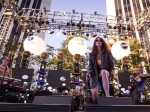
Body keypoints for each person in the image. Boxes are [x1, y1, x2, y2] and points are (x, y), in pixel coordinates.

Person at [86, 37, 118, 102]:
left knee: (103, 71)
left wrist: (114, 75)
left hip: (106, 72)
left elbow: (112, 65)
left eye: (100, 41)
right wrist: (88, 74)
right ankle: (97, 106)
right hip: (95, 74)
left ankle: (107, 95)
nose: (98, 41)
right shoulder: (92, 54)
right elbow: (90, 66)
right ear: (95, 43)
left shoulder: (108, 53)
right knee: (94, 93)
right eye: (97, 40)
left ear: (102, 43)